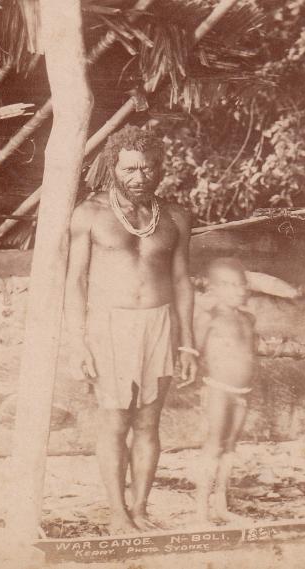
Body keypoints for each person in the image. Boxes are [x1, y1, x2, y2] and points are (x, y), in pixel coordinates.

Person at [65, 125, 198, 534]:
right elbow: (76, 281)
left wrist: (188, 344)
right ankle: (117, 512)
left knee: (148, 424)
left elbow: (181, 281)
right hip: (110, 325)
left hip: (157, 324)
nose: (139, 177)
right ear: (112, 168)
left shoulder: (175, 217)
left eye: (147, 168)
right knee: (115, 423)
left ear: (160, 169)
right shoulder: (90, 214)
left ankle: (140, 509)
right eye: (129, 169)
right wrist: (78, 341)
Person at [193, 258, 256, 525]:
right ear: (213, 289)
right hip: (218, 389)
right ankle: (200, 511)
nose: (238, 289)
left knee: (230, 446)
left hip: (243, 391)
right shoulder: (209, 318)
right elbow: (194, 353)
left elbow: (252, 352)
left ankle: (221, 505)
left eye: (241, 283)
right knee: (214, 444)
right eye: (229, 285)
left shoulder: (248, 318)